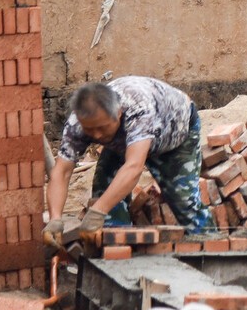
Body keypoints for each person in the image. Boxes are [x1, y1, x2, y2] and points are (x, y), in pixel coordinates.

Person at [42, 76, 211, 246]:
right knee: (105, 192)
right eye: (89, 129)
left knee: (184, 201)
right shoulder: (77, 124)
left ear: (118, 113)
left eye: (102, 127)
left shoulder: (138, 110)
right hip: (122, 143)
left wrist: (97, 212)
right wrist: (55, 218)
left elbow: (134, 167)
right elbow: (62, 172)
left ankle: (212, 248)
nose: (97, 135)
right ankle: (116, 250)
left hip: (175, 134)